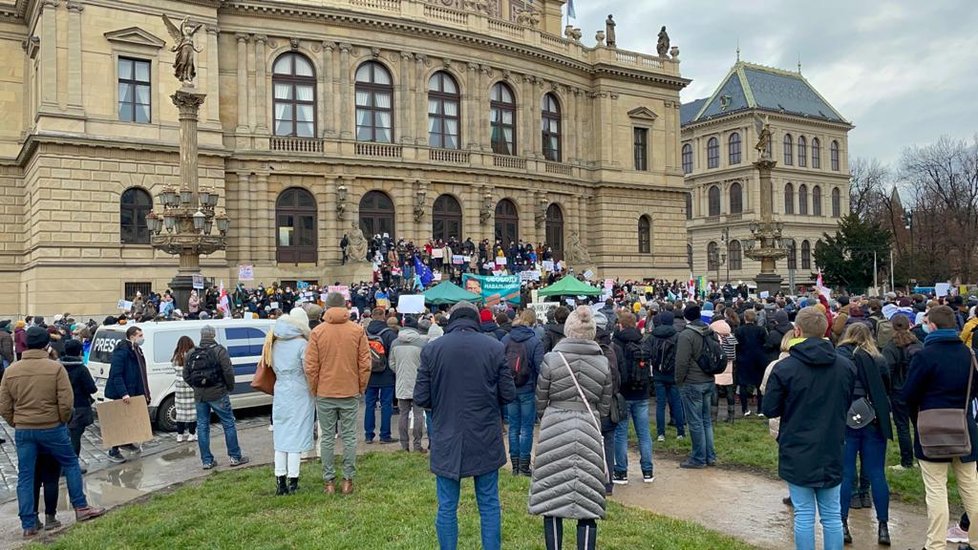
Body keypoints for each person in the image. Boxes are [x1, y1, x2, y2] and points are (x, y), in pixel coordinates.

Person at [414, 301, 516, 550]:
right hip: (484, 433)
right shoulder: (493, 347)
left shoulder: (433, 349)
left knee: (447, 505)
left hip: (447, 433)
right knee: (489, 503)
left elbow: (421, 397)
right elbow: (508, 393)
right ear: (475, 320)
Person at [763, 307, 854, 550]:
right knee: (831, 514)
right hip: (831, 442)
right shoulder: (845, 366)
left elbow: (770, 408)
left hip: (798, 444)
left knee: (804, 513)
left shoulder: (784, 368)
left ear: (797, 331)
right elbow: (846, 401)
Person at [0, 326, 105, 538]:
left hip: (24, 429)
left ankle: (29, 524)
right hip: (52, 427)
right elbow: (66, 402)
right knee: (71, 464)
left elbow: (4, 405)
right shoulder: (55, 368)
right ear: (47, 345)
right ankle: (81, 507)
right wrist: (61, 420)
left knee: (26, 475)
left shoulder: (11, 370)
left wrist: (16, 422)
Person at [529, 306, 612, 550]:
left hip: (555, 427)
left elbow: (541, 398)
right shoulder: (603, 363)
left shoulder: (551, 359)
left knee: (551, 497)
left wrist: (552, 418)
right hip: (588, 426)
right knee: (587, 501)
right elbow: (604, 404)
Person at [901, 305, 978, 550]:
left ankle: (935, 545)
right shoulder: (969, 355)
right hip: (964, 426)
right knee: (971, 488)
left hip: (931, 427)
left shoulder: (924, 356)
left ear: (931, 326)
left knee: (936, 489)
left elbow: (909, 395)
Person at [305, 292, 371, 495]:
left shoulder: (317, 332)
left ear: (326, 307)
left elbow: (310, 366)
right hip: (349, 390)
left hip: (325, 391)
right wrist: (360, 387)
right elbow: (365, 363)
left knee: (326, 438)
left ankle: (329, 482)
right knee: (349, 437)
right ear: (345, 306)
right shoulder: (357, 330)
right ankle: (348, 480)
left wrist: (315, 388)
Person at [836, 323, 893, 546]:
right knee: (877, 473)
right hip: (873, 417)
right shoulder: (878, 359)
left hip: (846, 417)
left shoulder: (839, 358)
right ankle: (883, 526)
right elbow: (885, 389)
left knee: (845, 473)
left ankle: (842, 524)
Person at [183, 325, 249, 470]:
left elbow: (186, 375)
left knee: (202, 426)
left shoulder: (191, 353)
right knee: (228, 423)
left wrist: (196, 387)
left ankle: (206, 460)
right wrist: (229, 387)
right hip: (218, 393)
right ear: (213, 335)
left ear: (201, 335)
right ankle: (235, 456)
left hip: (200, 395)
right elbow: (228, 372)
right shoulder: (220, 351)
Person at [270, 308, 315, 495]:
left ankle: (280, 480)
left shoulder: (274, 342)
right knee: (296, 436)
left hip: (281, 388)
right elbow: (308, 369)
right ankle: (293, 479)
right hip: (299, 390)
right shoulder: (302, 344)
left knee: (280, 436)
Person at [500, 310, 545, 476]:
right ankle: (524, 466)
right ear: (533, 323)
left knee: (513, 426)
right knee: (526, 427)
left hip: (510, 388)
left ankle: (515, 465)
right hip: (528, 387)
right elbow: (541, 367)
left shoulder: (505, 339)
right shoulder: (535, 341)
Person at [612, 311, 655, 484]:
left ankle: (621, 471)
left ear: (620, 325)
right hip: (642, 392)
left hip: (623, 393)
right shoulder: (643, 341)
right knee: (644, 434)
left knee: (620, 434)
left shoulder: (617, 344)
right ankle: (647, 471)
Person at [675, 303, 718, 469]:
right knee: (706, 420)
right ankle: (710, 455)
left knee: (695, 422)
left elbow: (681, 362)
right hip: (708, 379)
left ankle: (699, 457)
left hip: (693, 382)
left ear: (686, 317)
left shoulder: (686, 335)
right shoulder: (709, 330)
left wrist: (679, 380)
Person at [105, 325, 150, 464]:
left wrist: (144, 392)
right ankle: (113, 450)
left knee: (130, 419)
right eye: (140, 335)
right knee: (120, 422)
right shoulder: (122, 352)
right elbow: (116, 375)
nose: (142, 338)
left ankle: (128, 441)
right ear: (132, 337)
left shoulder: (136, 350)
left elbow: (140, 373)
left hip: (134, 390)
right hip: (123, 393)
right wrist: (124, 393)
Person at [881, 314, 920, 471]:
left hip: (899, 392)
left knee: (902, 426)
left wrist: (888, 388)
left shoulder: (890, 347)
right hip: (916, 390)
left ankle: (907, 461)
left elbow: (886, 371)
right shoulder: (918, 344)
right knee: (918, 425)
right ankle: (921, 457)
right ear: (909, 325)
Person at [389, 315, 429, 453]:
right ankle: (417, 444)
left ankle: (404, 445)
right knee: (418, 414)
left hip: (401, 382)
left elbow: (391, 363)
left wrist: (399, 372)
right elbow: (426, 364)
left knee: (403, 414)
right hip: (418, 383)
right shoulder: (422, 344)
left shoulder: (395, 343)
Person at [648, 311, 685, 441]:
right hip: (673, 373)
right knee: (676, 403)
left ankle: (660, 434)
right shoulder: (677, 335)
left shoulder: (653, 336)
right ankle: (680, 432)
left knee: (660, 405)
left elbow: (647, 352)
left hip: (658, 373)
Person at [60, 339, 96, 468]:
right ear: (80, 352)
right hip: (79, 405)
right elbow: (92, 388)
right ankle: (71, 465)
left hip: (61, 405)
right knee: (75, 437)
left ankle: (63, 464)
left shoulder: (58, 367)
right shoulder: (81, 369)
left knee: (64, 436)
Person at [364, 307, 397, 444]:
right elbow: (393, 354)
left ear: (371, 316)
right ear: (384, 317)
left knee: (369, 404)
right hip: (386, 374)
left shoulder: (364, 332)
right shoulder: (389, 333)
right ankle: (385, 435)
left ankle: (368, 435)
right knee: (386, 405)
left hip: (369, 373)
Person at [734, 309, 768, 416]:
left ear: (744, 318)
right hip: (758, 359)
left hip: (743, 359)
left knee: (743, 384)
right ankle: (760, 409)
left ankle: (745, 409)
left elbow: (736, 345)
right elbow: (766, 343)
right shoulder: (761, 330)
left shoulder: (739, 330)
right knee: (759, 384)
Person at [710, 319, 738, 423]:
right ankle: (731, 416)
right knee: (729, 391)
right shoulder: (730, 336)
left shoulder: (716, 338)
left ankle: (713, 417)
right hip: (729, 366)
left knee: (715, 391)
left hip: (718, 366)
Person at [170, 336, 198, 443]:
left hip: (179, 389)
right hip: (191, 387)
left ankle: (180, 435)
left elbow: (174, 367)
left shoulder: (176, 357)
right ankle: (191, 434)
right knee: (192, 413)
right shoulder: (192, 356)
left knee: (180, 413)